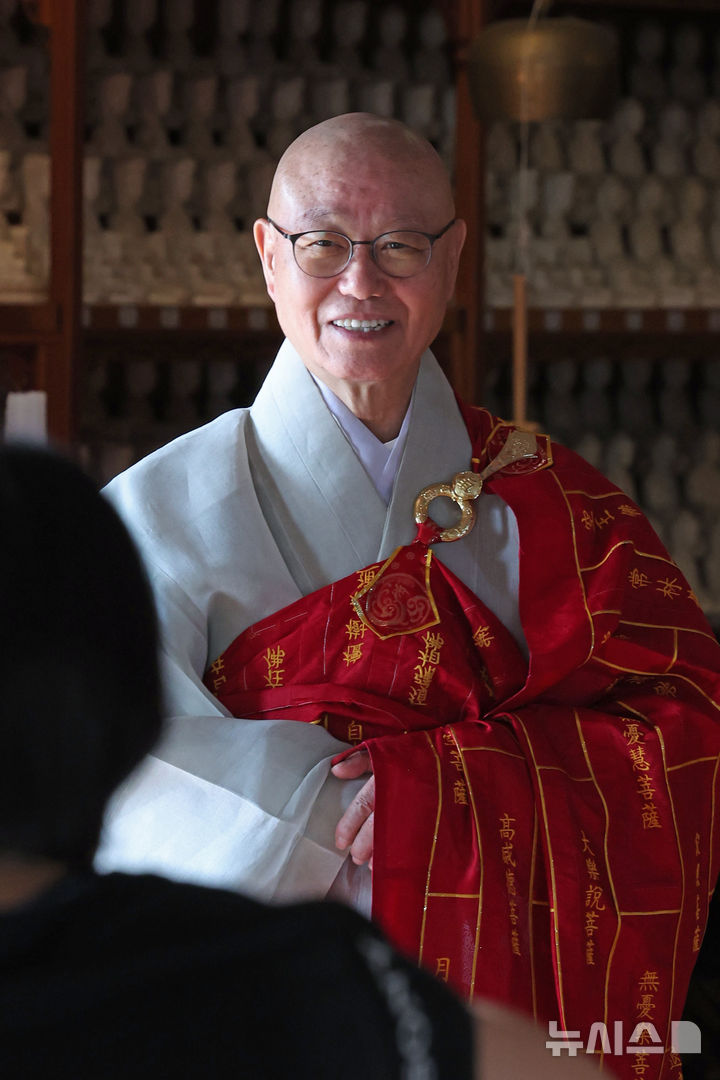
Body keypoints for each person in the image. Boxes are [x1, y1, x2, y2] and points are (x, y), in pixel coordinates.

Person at [97, 113, 720, 1078]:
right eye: (323, 243)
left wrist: (445, 798)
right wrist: (339, 818)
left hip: (495, 1021)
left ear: (454, 259)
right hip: (263, 1009)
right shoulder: (149, 517)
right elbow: (113, 758)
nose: (361, 281)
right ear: (267, 255)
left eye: (399, 246)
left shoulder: (556, 503)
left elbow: (681, 725)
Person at [2, 443, 609, 1080]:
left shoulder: (548, 494)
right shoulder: (303, 978)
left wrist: (445, 775)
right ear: (128, 719)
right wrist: (357, 802)